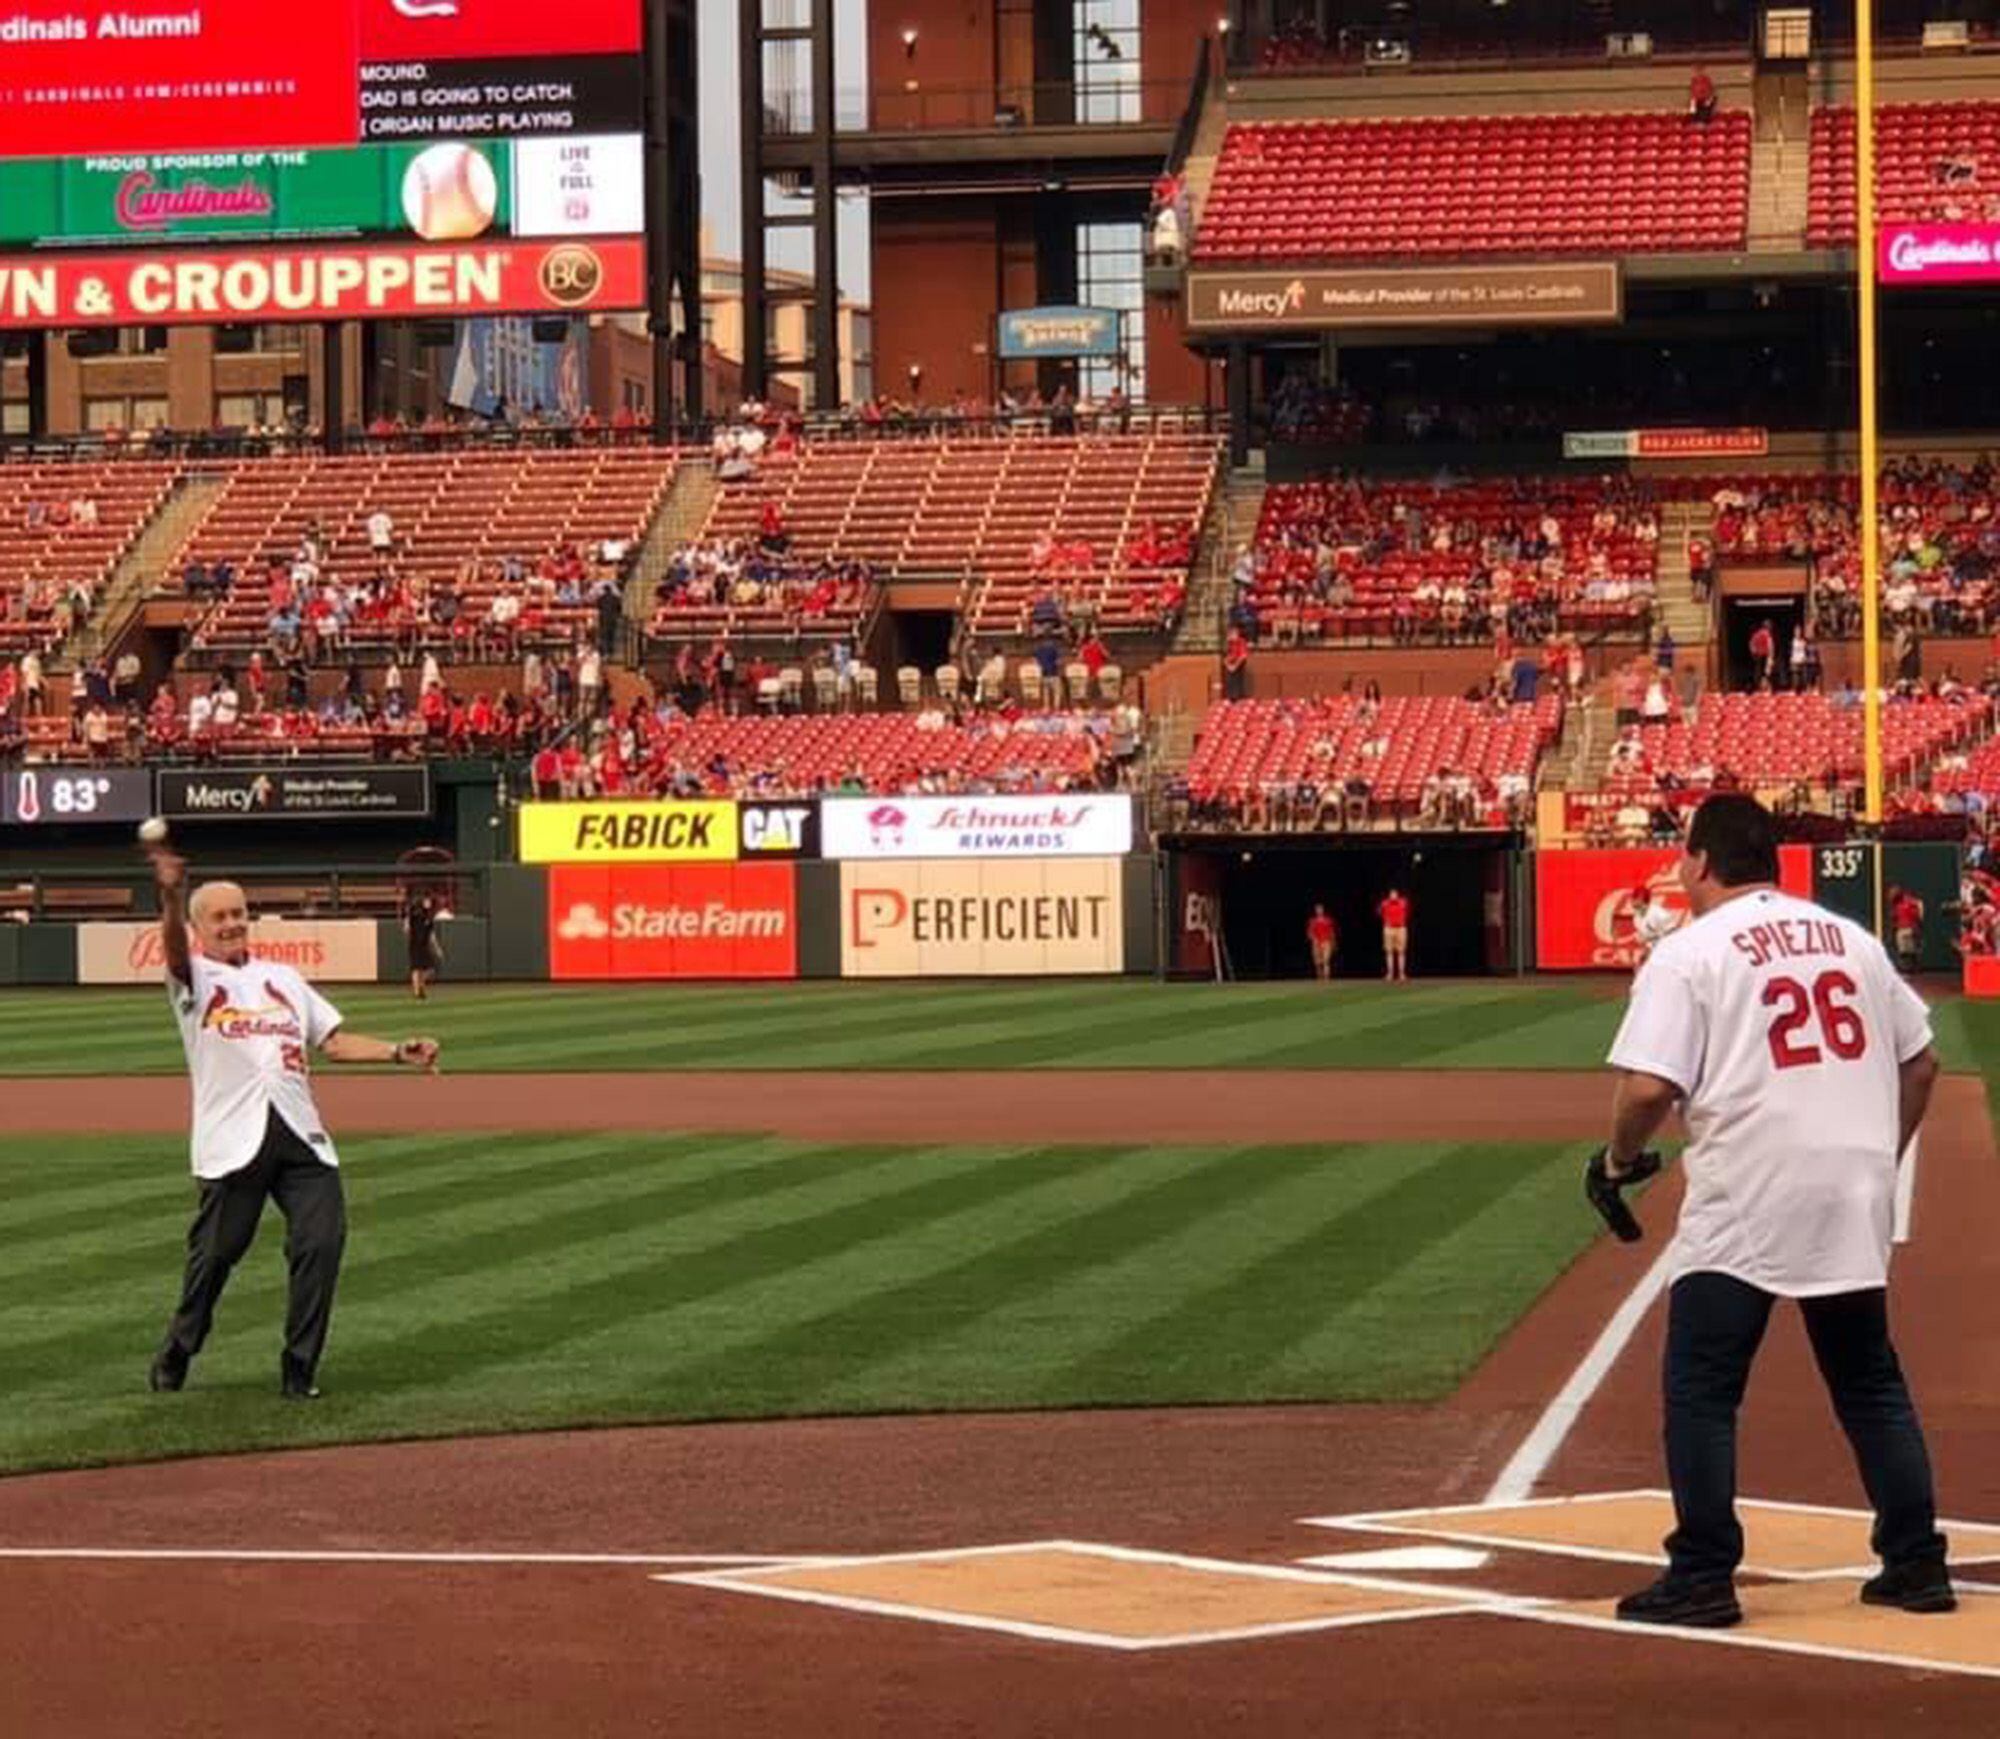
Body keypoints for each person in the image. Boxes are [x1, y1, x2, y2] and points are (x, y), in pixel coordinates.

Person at [1599, 793, 1952, 1628]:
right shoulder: (1852, 939)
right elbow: (1924, 1062)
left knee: (1703, 1385)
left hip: (1750, 1189)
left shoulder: (1690, 952)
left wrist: (1617, 1161)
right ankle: (1915, 1561)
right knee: (1869, 1380)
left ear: (1701, 861)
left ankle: (1703, 1571)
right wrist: (1880, 1150)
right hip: (1854, 1182)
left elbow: (1649, 1086)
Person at [144, 845, 441, 1400]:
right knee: (214, 1257)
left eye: (239, 913)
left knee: (321, 1244)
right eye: (220, 916)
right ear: (198, 927)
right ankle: (180, 1346)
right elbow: (174, 956)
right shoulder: (195, 980)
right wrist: (168, 896)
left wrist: (399, 1050)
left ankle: (299, 1367)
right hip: (233, 1140)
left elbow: (333, 1041)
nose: (232, 924)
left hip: (301, 1137)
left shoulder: (282, 978)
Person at [403, 885, 444, 1000]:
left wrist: (437, 948)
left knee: (429, 969)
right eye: (427, 900)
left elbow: (431, 935)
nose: (428, 902)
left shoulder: (429, 917)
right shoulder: (414, 916)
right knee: (416, 968)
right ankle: (417, 992)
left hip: (423, 944)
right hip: (415, 943)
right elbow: (406, 928)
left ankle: (420, 986)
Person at [1377, 886, 1410, 982]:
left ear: (1398, 895)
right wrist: (1386, 919)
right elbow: (1379, 912)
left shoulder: (1403, 902)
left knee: (1401, 952)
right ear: (1389, 895)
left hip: (1401, 928)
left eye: (1395, 894)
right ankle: (1390, 974)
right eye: (1391, 894)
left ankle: (1402, 974)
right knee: (1389, 952)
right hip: (1389, 928)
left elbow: (1406, 912)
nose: (1393, 896)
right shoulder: (1385, 903)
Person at [1890, 884, 1925, 973]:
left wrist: (1920, 918)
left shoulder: (1909, 900)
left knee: (1911, 949)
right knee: (1903, 950)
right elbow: (1894, 916)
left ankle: (1914, 968)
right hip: (1900, 928)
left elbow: (1919, 904)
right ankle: (1905, 968)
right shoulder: (1895, 904)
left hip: (1910, 927)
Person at [1306, 903, 1337, 982]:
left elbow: (1331, 932)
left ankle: (1327, 978)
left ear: (1323, 910)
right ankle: (1320, 977)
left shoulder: (1328, 920)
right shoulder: (1313, 921)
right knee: (1318, 963)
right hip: (1317, 943)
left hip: (1326, 942)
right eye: (1318, 909)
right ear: (1316, 911)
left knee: (1326, 961)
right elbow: (1310, 933)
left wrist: (1333, 942)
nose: (1319, 911)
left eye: (1320, 909)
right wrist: (1314, 939)